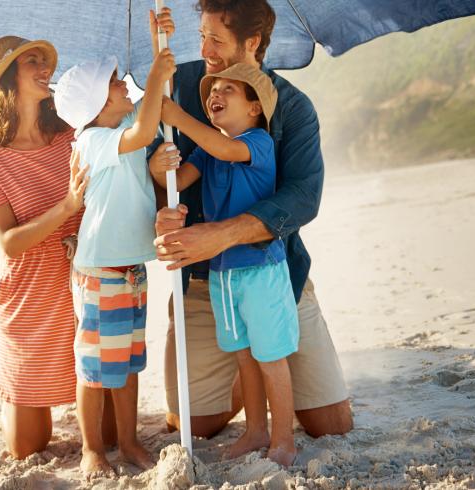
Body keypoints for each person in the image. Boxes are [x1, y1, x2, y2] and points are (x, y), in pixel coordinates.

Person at [148, 1, 353, 440]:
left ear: (253, 42)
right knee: (193, 425)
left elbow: (302, 198)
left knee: (332, 425)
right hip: (206, 283)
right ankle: (247, 379)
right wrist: (163, 210)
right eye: (200, 35)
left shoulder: (291, 108)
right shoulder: (178, 89)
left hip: (272, 274)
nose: (204, 49)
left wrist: (221, 235)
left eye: (216, 40)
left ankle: (265, 363)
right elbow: (159, 177)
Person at [152, 63, 298, 466]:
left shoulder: (258, 142)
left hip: (260, 270)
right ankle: (255, 431)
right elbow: (179, 181)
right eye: (212, 89)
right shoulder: (206, 149)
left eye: (227, 89)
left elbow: (226, 150)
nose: (215, 93)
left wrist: (180, 118)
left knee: (270, 356)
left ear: (254, 108)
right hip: (222, 272)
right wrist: (159, 164)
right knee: (243, 355)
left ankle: (283, 438)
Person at [0, 36, 111, 459]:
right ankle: (10, 397)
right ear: (7, 79)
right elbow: (9, 243)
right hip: (29, 298)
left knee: (104, 437)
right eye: (32, 61)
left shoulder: (73, 136)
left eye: (44, 60)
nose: (44, 67)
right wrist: (67, 206)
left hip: (84, 288)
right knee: (26, 448)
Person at [52, 47, 175, 476]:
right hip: (101, 269)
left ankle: (128, 441)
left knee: (126, 362)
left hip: (130, 268)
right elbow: (143, 132)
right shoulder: (91, 141)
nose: (126, 84)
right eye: (116, 81)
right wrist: (156, 74)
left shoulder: (122, 122)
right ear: (97, 103)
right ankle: (92, 449)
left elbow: (155, 103)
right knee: (94, 369)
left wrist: (159, 47)